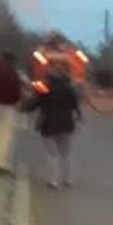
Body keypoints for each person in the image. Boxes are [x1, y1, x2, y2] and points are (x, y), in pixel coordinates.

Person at [27, 60, 82, 189]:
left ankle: (53, 181)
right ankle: (68, 179)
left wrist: (25, 106)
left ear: (50, 73)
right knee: (66, 152)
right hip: (66, 123)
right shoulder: (69, 87)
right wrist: (78, 116)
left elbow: (34, 103)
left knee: (51, 154)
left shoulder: (44, 87)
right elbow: (74, 105)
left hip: (48, 123)